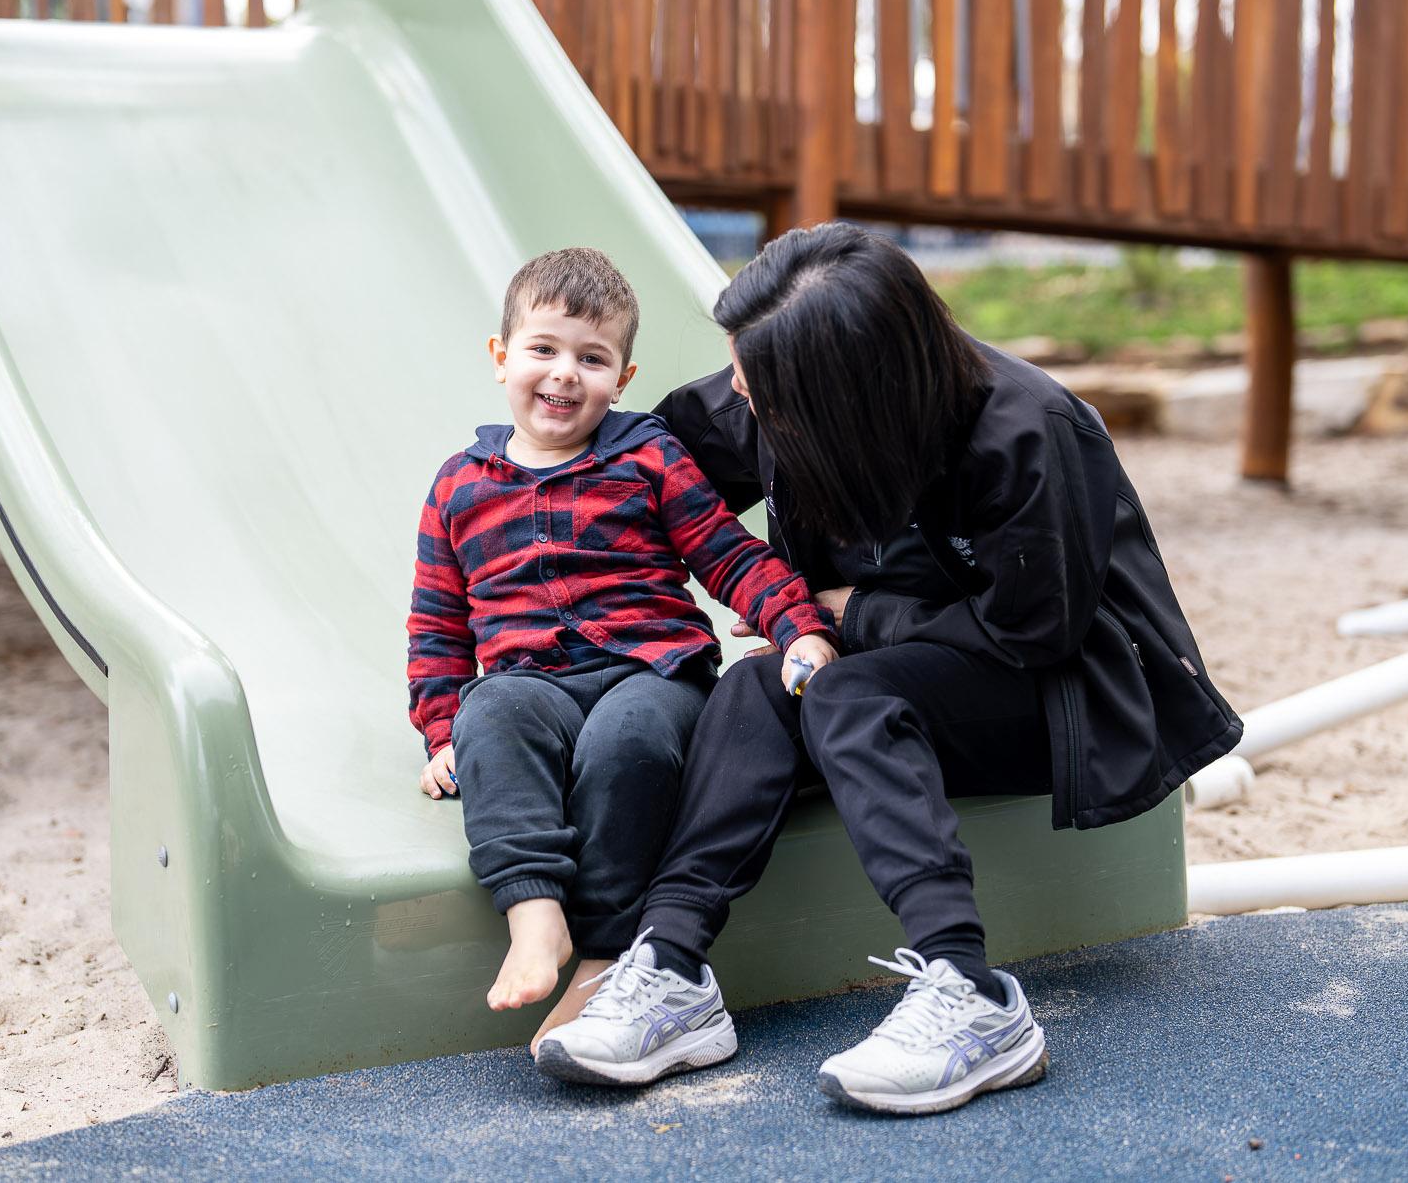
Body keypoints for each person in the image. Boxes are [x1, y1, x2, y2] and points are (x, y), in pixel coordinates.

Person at [534, 223, 1242, 1114]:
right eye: (739, 377)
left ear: (845, 394)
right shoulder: (775, 384)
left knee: (842, 689)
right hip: (890, 670)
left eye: (757, 391)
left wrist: (852, 615)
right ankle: (672, 969)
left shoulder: (1026, 429)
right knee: (759, 681)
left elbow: (1034, 630)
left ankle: (973, 993)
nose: (738, 397)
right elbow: (633, 467)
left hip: (1058, 691)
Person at [407, 247, 839, 1052]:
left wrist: (797, 625)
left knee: (624, 740)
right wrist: (440, 732)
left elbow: (727, 553)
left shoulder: (648, 455)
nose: (564, 373)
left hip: (655, 671)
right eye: (543, 348)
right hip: (531, 681)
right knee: (487, 714)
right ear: (502, 356)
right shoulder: (460, 485)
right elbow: (437, 624)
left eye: (592, 358)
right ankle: (535, 914)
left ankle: (605, 951)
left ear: (623, 377)